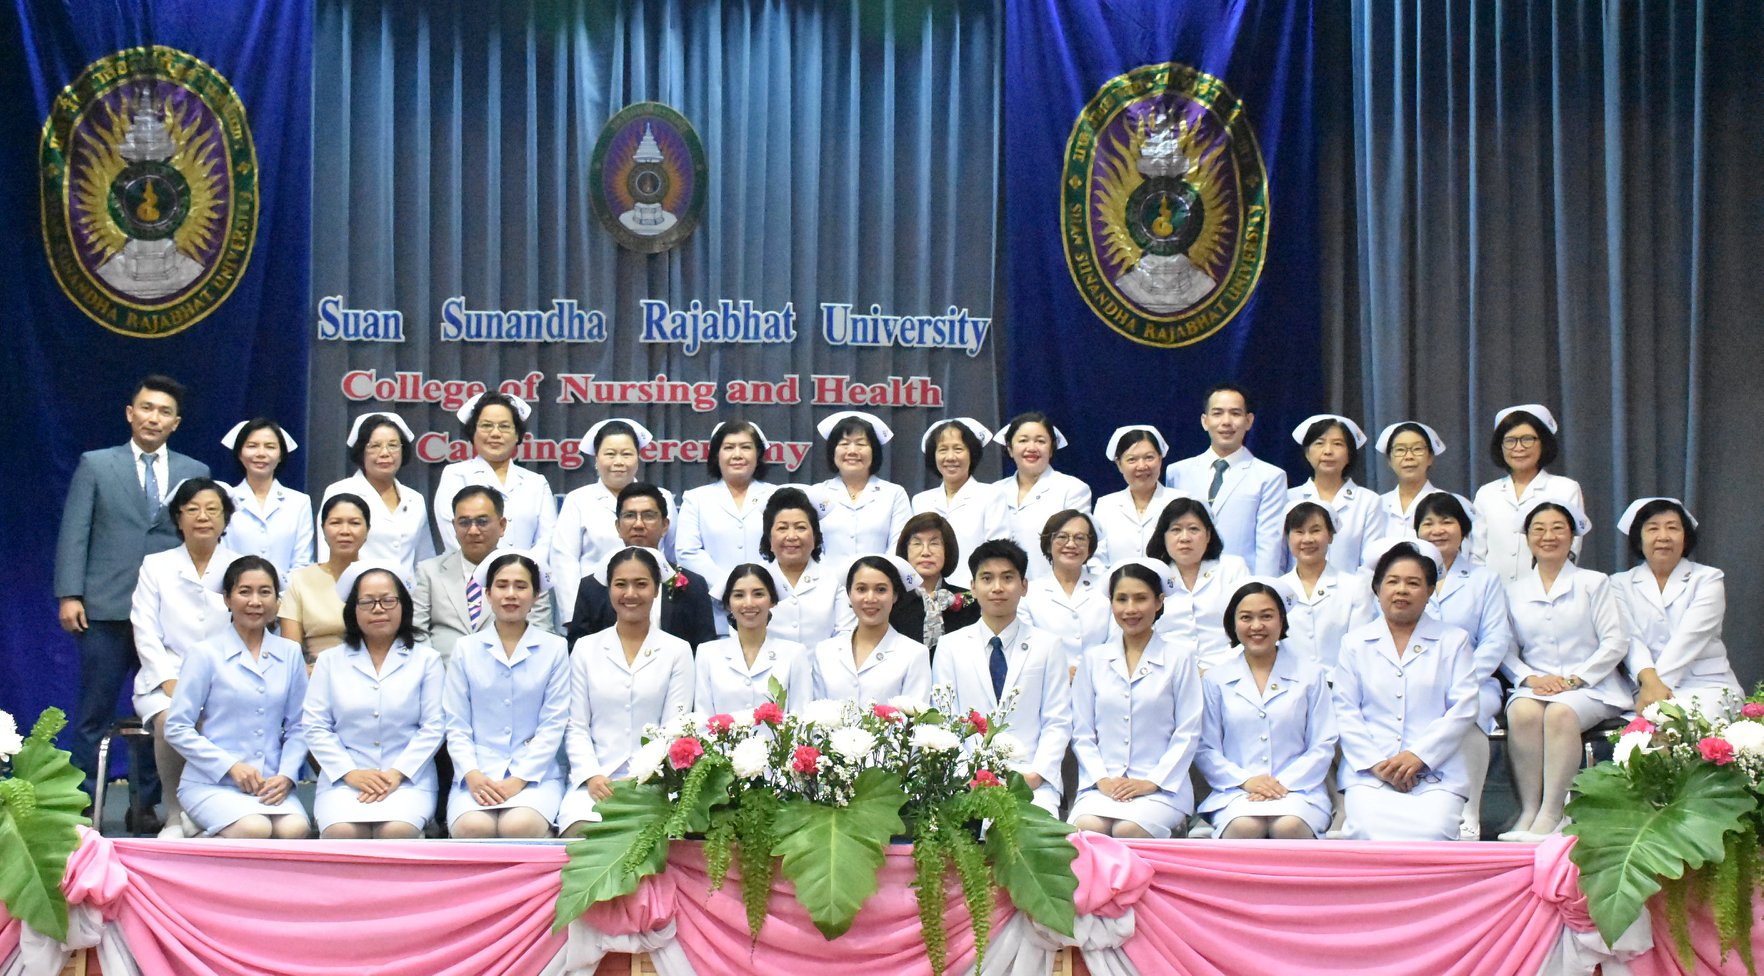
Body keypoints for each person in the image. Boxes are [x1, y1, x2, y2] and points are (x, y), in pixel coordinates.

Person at [56, 374, 209, 827]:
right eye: (146, 408)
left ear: (176, 423)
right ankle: (82, 802)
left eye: (164, 412)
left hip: (166, 614)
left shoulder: (194, 471)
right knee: (94, 712)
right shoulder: (96, 464)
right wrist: (70, 593)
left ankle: (146, 805)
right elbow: (75, 531)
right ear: (130, 413)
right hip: (105, 608)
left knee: (159, 712)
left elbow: (201, 536)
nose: (153, 418)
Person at [1500, 501, 1629, 842]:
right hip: (1537, 685)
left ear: (1573, 536)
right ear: (1527, 537)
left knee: (1560, 713)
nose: (1548, 536)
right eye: (1539, 529)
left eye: (1558, 528)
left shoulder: (1594, 583)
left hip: (1590, 686)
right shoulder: (1513, 590)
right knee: (1522, 712)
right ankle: (1529, 809)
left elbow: (1615, 641)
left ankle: (1553, 812)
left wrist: (1575, 679)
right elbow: (1505, 648)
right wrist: (1530, 678)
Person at [1333, 541, 1479, 841]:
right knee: (1366, 831)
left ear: (1430, 591)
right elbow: (1345, 711)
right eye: (1393, 582)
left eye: (1413, 583)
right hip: (1370, 774)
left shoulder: (1454, 641)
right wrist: (1377, 764)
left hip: (1436, 773)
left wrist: (1419, 755)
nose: (1401, 590)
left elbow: (1464, 708)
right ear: (1377, 589)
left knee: (1434, 832)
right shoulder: (1355, 643)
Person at [162, 556, 310, 839]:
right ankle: (195, 839)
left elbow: (299, 725)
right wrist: (229, 766)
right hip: (211, 782)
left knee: (295, 830)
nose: (255, 601)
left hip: (269, 782)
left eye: (265, 592)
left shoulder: (289, 653)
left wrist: (287, 775)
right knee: (254, 828)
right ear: (227, 599)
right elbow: (177, 727)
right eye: (245, 592)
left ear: (276, 601)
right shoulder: (205, 653)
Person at [130, 477, 243, 838]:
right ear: (178, 519)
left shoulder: (241, 566)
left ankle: (218, 808)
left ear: (225, 518)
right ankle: (176, 813)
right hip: (166, 675)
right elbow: (144, 628)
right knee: (171, 719)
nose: (202, 517)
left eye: (212, 509)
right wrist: (169, 681)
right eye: (192, 509)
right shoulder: (156, 565)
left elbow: (250, 628)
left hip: (227, 675)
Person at [557, 547, 695, 835]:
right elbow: (576, 725)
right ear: (609, 589)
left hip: (656, 782)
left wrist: (643, 776)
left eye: (641, 584)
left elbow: (674, 728)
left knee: (654, 834)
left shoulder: (677, 651)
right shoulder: (585, 649)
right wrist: (592, 775)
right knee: (581, 828)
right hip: (595, 782)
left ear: (656, 590)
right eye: (621, 584)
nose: (630, 593)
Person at [303, 561, 445, 839]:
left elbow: (434, 726)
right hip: (344, 779)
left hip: (408, 778)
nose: (378, 609)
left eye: (388, 600)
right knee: (342, 831)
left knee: (397, 830)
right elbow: (315, 726)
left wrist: (397, 772)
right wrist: (350, 773)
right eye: (367, 602)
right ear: (353, 610)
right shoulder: (330, 661)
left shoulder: (427, 660)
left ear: (404, 606)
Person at [931, 540, 1071, 814]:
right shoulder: (950, 646)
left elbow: (1057, 720)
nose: (997, 587)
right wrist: (967, 774)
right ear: (973, 587)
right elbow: (946, 719)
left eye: (1007, 578)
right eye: (987, 578)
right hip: (965, 779)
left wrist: (1036, 774)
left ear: (1024, 586)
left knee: (1032, 832)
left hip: (1030, 781)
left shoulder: (1048, 646)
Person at [1068, 559, 1204, 838]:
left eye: (1141, 598)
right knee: (1087, 829)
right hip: (1102, 786)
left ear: (1159, 601)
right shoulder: (1093, 659)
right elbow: (1082, 732)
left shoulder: (1179, 658)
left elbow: (1188, 731)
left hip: (1163, 788)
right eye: (1122, 599)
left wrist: (1151, 782)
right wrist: (1102, 779)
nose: (1130, 609)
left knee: (1129, 829)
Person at [442, 550, 570, 838]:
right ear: (488, 594)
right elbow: (456, 723)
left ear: (536, 596)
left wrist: (520, 779)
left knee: (519, 826)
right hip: (477, 772)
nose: (511, 594)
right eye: (502, 585)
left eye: (521, 586)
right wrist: (472, 774)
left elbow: (554, 723)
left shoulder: (554, 649)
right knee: (472, 827)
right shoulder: (465, 649)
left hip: (535, 775)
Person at [1196, 581, 1337, 839]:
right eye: (1246, 618)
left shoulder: (1310, 675)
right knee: (1245, 825)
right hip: (1236, 790)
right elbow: (1206, 748)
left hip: (1299, 790)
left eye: (1267, 616)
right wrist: (1247, 781)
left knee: (1289, 825)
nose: (1257, 626)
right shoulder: (1216, 679)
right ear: (1232, 623)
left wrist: (1281, 785)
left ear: (1282, 621)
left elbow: (1323, 742)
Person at [1411, 491, 1513, 841]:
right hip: (1415, 680)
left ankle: (1469, 811)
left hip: (1475, 681)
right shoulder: (1406, 578)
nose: (1437, 530)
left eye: (1447, 521)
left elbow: (1495, 639)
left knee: (1469, 711)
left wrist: (1461, 679)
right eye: (1428, 523)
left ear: (1463, 529)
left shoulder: (1485, 580)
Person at [1615, 497, 1741, 716]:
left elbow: (1690, 638)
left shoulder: (1708, 578)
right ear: (1638, 538)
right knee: (1643, 731)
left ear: (1685, 537)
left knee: (1677, 722)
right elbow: (1630, 640)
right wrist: (1650, 684)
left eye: (1672, 528)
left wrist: (1655, 689)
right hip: (1644, 688)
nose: (1663, 536)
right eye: (1653, 528)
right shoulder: (1618, 584)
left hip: (1707, 686)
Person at [414, 486, 556, 665]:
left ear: (502, 525)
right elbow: (417, 633)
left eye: (482, 522)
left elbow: (542, 635)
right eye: (464, 522)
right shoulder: (429, 572)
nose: (473, 530)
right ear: (454, 526)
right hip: (443, 673)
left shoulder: (527, 574)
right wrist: (433, 672)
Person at [565, 483, 714, 649]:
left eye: (648, 516)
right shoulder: (593, 586)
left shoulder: (693, 585)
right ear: (618, 526)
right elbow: (577, 648)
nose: (638, 524)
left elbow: (704, 650)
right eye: (629, 516)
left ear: (665, 525)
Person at [551, 419, 674, 617]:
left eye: (627, 454)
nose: (619, 462)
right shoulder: (578, 499)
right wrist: (574, 614)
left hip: (651, 606)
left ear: (638, 458)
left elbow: (672, 555)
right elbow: (564, 560)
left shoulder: (662, 497)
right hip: (593, 607)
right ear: (596, 459)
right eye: (610, 454)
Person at [1164, 383, 1286, 575]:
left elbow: (1269, 544)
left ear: (1249, 421)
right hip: (1187, 580)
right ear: (1205, 421)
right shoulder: (1178, 472)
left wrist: (1262, 588)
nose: (1226, 422)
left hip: (1242, 582)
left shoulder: (1269, 477)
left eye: (1235, 413)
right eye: (1218, 413)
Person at [676, 419, 778, 635]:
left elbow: (786, 548)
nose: (737, 455)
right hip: (714, 610)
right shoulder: (696, 499)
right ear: (716, 455)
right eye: (729, 447)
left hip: (770, 611)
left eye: (746, 447)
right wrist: (728, 588)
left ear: (758, 455)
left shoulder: (776, 496)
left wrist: (759, 589)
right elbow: (687, 552)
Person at [793, 555, 932, 704]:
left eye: (881, 589)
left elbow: (916, 713)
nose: (870, 598)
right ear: (849, 594)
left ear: (895, 595)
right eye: (861, 589)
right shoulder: (825, 651)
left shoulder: (914, 654)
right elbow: (816, 711)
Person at [1470, 405, 1584, 584]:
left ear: (1543, 443)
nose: (1519, 447)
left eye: (1527, 439)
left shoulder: (1565, 489)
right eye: (1510, 441)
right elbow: (1476, 555)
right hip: (1492, 594)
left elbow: (1570, 550)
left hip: (1547, 592)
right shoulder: (1486, 493)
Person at [432, 392, 558, 554]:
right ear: (473, 432)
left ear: (517, 435)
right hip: (468, 569)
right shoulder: (455, 475)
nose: (495, 434)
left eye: (504, 426)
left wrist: (522, 567)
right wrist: (490, 568)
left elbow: (547, 540)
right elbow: (453, 536)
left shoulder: (537, 483)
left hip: (528, 569)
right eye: (486, 426)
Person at [319, 413, 434, 579]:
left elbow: (425, 559)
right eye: (375, 446)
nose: (385, 453)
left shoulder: (415, 499)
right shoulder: (340, 491)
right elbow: (327, 556)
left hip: (407, 593)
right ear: (361, 451)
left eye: (393, 445)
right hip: (355, 591)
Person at [1145, 497, 1250, 671]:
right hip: (1167, 672)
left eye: (1193, 529)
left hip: (1227, 669)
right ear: (1163, 536)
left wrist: (1218, 671)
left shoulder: (1232, 568)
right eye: (1176, 530)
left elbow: (1248, 626)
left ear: (1208, 535)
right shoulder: (1152, 574)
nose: (1184, 538)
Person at [1276, 501, 1375, 677]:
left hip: (1342, 685)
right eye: (1299, 531)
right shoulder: (1276, 590)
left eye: (1315, 530)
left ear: (1330, 536)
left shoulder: (1355, 587)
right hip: (1288, 686)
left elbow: (1358, 648)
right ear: (1288, 537)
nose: (1307, 539)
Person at [989, 412, 1092, 579]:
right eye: (1023, 440)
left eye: (1040, 441)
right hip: (1002, 587)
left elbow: (1079, 545)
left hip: (1055, 586)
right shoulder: (994, 491)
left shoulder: (1072, 489)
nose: (1031, 448)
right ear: (1009, 448)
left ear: (1051, 449)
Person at [695, 564, 808, 714]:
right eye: (739, 595)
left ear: (772, 601)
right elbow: (703, 716)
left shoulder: (794, 654)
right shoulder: (708, 654)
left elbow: (801, 715)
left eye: (758, 594)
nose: (748, 603)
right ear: (728, 604)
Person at [1284, 414, 1384, 573]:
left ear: (1349, 454)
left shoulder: (1368, 501)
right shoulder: (1288, 498)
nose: (1328, 451)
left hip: (1352, 588)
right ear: (1307, 453)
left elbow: (1371, 563)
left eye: (1337, 444)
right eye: (1319, 443)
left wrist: (1354, 588)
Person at [279, 493, 370, 665]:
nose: (345, 531)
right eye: (335, 523)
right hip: (314, 671)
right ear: (323, 529)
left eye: (354, 523)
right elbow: (291, 651)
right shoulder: (300, 580)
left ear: (367, 530)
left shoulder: (379, 579)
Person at [217, 419, 313, 580]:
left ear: (281, 455)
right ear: (240, 453)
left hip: (286, 593)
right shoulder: (225, 498)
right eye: (252, 446)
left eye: (270, 447)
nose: (261, 453)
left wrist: (279, 592)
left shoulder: (299, 502)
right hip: (235, 591)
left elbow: (302, 563)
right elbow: (220, 556)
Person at [909, 418, 1000, 586]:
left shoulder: (991, 495)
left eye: (958, 449)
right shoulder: (921, 501)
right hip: (928, 593)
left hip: (973, 592)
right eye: (943, 450)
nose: (950, 457)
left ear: (971, 454)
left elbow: (997, 552)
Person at [810, 411, 912, 561]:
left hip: (882, 575)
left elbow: (899, 545)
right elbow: (812, 546)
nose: (852, 451)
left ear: (874, 451)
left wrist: (879, 573)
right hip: (827, 575)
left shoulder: (894, 494)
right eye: (844, 444)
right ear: (833, 451)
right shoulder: (817, 493)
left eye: (861, 444)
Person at [1021, 510, 1111, 673]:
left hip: (1101, 678)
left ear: (1090, 547)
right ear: (1048, 545)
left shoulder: (1107, 588)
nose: (1071, 544)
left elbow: (1117, 642)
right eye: (1062, 537)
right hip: (1049, 680)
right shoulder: (1029, 593)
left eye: (1080, 538)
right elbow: (1026, 647)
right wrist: (1061, 672)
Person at [757, 487, 845, 647]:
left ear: (815, 536)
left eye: (800, 527)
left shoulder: (837, 580)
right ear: (769, 537)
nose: (791, 536)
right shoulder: (753, 580)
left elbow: (846, 635)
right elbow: (743, 638)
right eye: (782, 528)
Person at [1092, 425, 1183, 567]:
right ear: (1119, 464)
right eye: (1132, 460)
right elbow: (1097, 557)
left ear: (1160, 459)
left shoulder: (1181, 501)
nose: (1142, 466)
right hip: (1116, 581)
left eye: (1149, 457)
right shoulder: (1106, 505)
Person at [890, 512, 980, 654]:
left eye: (934, 543)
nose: (926, 552)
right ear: (905, 551)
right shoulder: (892, 601)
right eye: (917, 543)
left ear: (947, 551)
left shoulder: (969, 599)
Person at [1375, 421, 1446, 540]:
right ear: (1389, 460)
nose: (1409, 457)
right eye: (1400, 450)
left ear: (1430, 457)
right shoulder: (1377, 505)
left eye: (1417, 449)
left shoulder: (1447, 503)